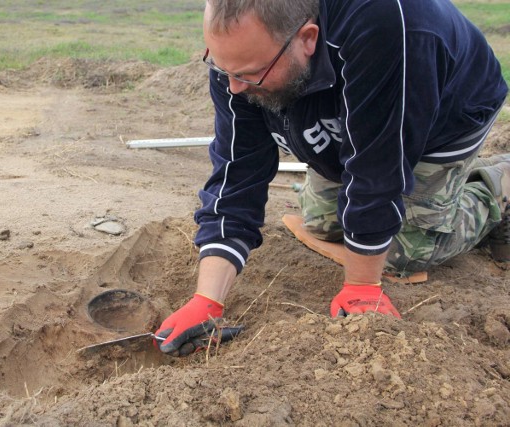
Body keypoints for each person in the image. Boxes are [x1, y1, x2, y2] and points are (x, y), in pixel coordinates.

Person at [155, 0, 508, 356]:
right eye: (221, 66)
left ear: (307, 38)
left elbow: (379, 167)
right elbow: (237, 172)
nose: (233, 87)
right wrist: (207, 300)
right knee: (326, 223)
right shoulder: (239, 64)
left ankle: (497, 184)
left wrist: (362, 286)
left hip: (442, 115)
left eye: (248, 74)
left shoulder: (384, 25)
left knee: (401, 252)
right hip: (341, 104)